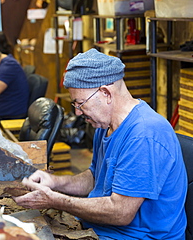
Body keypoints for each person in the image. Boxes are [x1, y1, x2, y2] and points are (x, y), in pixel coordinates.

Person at [13, 48, 187, 239]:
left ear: (105, 93)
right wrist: (55, 182)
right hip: (102, 229)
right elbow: (96, 177)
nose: (78, 113)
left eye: (80, 104)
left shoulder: (144, 134)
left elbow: (121, 212)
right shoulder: (104, 125)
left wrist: (55, 200)